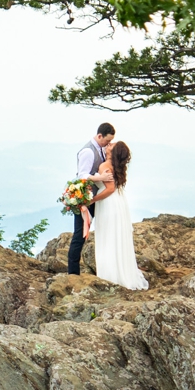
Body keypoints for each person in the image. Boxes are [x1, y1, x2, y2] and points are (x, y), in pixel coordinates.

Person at [89, 140, 149, 290]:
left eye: (111, 146)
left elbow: (109, 189)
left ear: (113, 152)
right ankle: (119, 270)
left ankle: (109, 274)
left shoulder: (105, 166)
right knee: (116, 237)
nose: (108, 145)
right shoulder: (116, 167)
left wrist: (92, 200)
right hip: (119, 202)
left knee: (108, 237)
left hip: (109, 204)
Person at [68, 122, 116, 276]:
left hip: (95, 198)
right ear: (99, 135)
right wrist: (100, 177)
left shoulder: (101, 149)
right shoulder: (88, 151)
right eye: (107, 141)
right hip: (85, 198)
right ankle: (73, 272)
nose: (108, 144)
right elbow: (82, 175)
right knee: (80, 235)